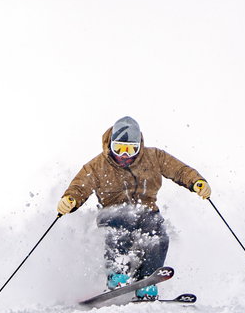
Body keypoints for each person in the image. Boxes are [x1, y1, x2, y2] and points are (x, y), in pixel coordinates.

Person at [57, 116, 211, 299]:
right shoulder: (98, 166)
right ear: (110, 145)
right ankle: (117, 273)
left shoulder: (154, 157)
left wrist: (197, 182)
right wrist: (70, 200)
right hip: (112, 212)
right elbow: (79, 186)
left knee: (158, 235)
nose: (124, 155)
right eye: (119, 149)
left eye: (131, 149)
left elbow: (179, 170)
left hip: (146, 210)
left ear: (139, 146)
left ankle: (147, 280)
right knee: (120, 225)